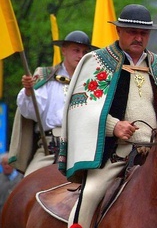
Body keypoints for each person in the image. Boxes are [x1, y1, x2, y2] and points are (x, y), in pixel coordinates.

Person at [58, 4, 157, 228]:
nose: (138, 37)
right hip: (116, 155)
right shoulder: (98, 61)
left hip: (154, 156)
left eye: (143, 33)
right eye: (131, 31)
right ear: (118, 31)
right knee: (91, 193)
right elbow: (80, 106)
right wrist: (113, 127)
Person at [10, 31, 94, 175]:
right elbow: (30, 112)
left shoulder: (92, 81)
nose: (81, 56)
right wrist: (29, 92)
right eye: (76, 50)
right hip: (49, 149)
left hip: (82, 150)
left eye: (85, 52)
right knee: (28, 185)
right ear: (64, 50)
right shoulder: (46, 76)